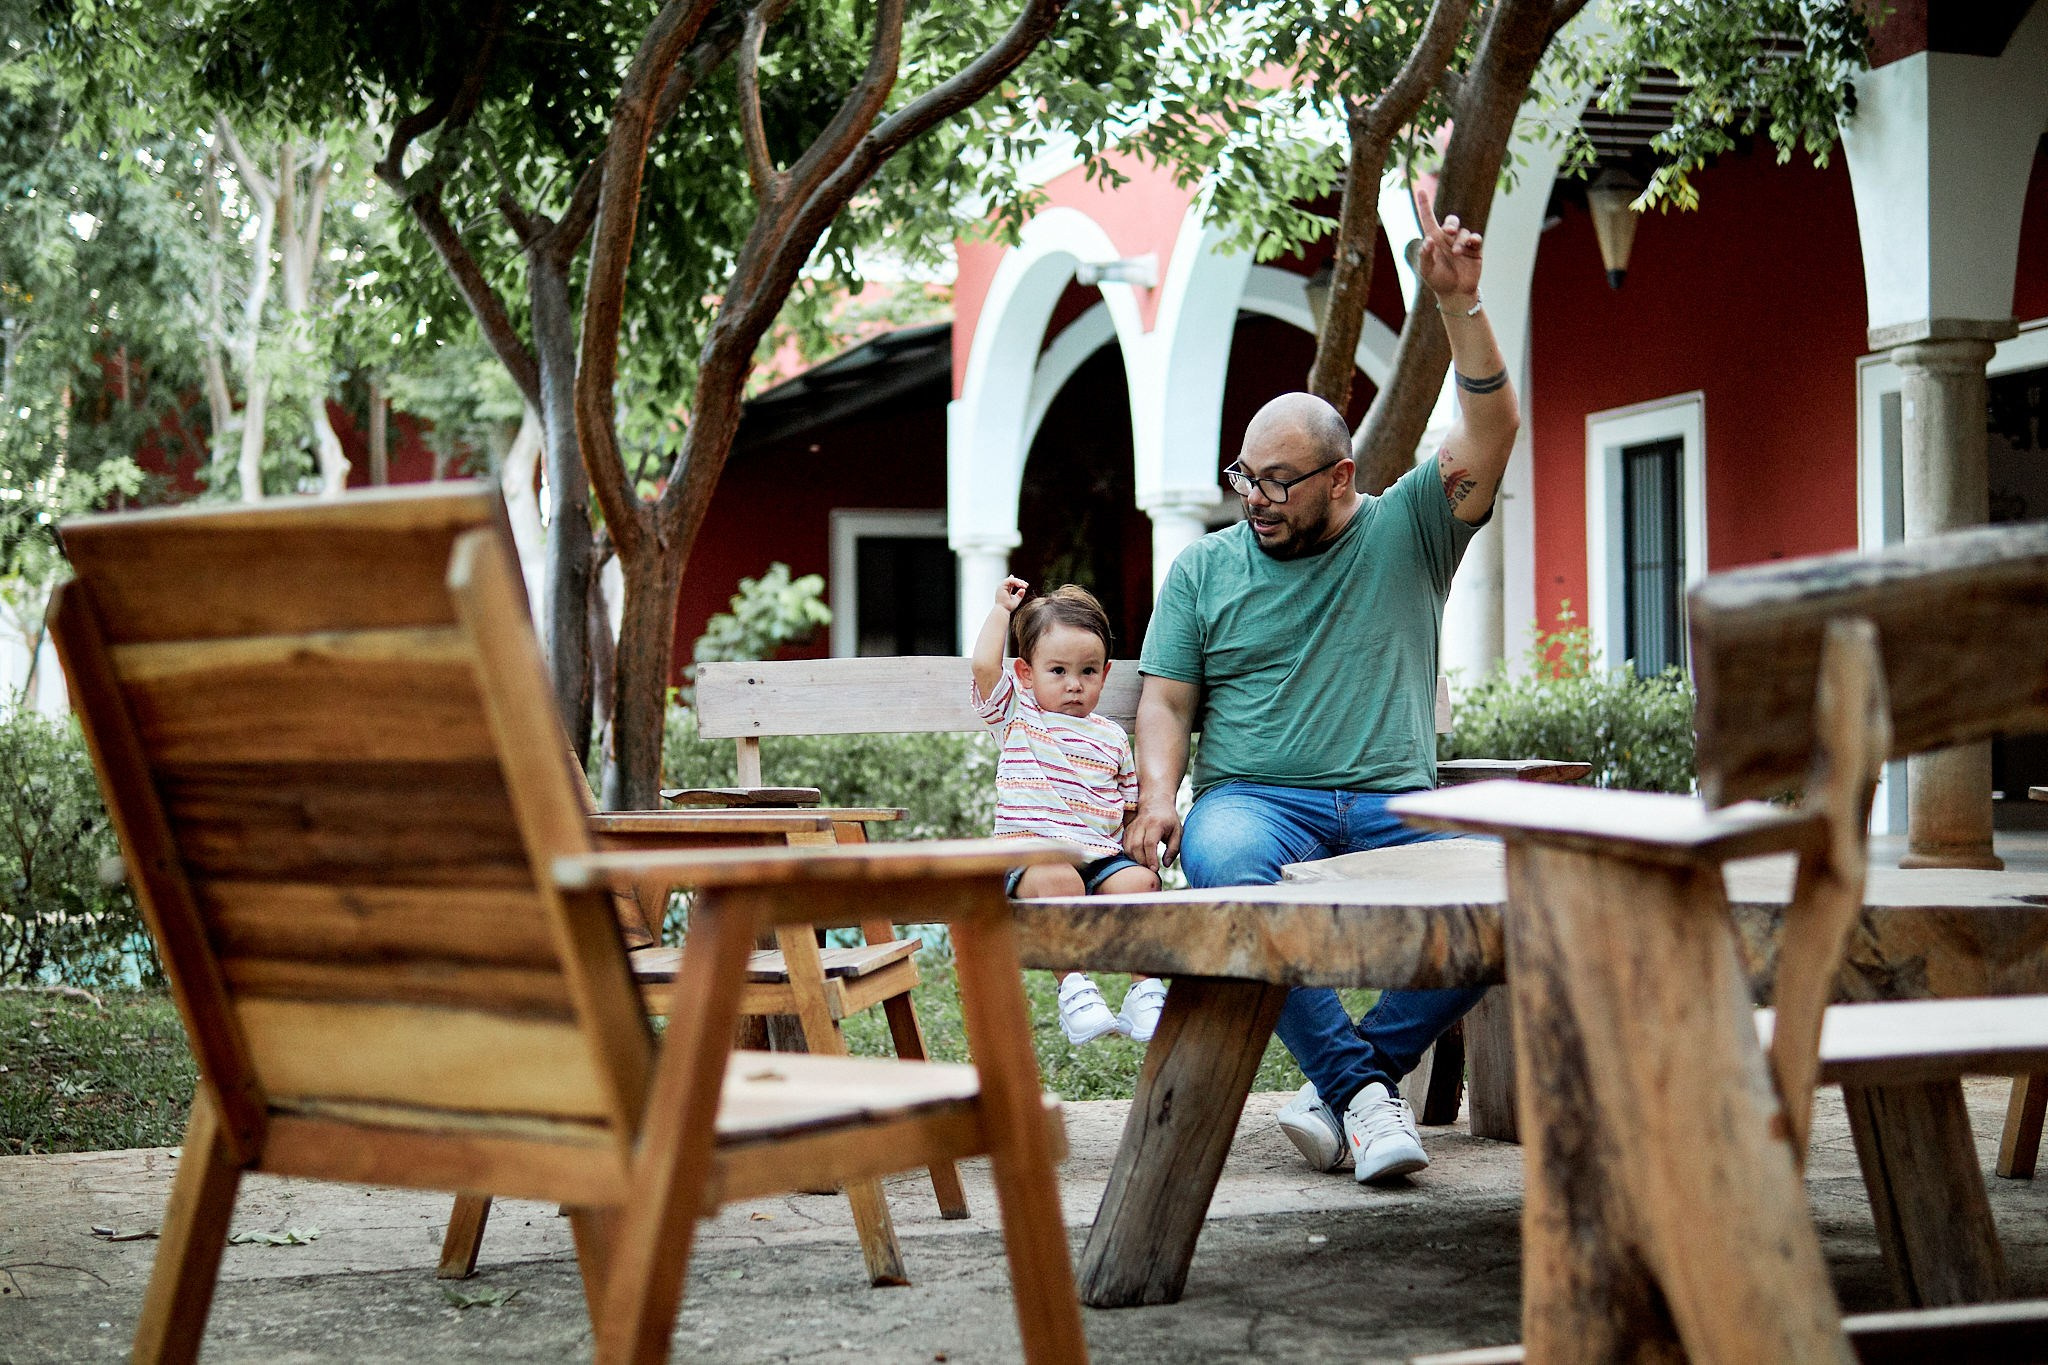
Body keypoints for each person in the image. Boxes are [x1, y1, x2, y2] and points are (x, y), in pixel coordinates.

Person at [1124, 185, 1519, 1183]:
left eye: (1278, 482)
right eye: (1242, 477)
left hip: (1397, 804)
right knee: (1225, 870)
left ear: (1340, 478)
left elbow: (1490, 433)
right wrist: (1158, 797)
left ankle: (1344, 1086)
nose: (1253, 499)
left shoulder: (1408, 530)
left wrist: (1456, 306)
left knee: (1516, 895)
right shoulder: (1203, 571)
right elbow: (1167, 699)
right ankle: (1361, 1096)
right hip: (1255, 803)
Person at [971, 577, 1166, 1044]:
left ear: (1106, 671)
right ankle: (1075, 989)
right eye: (1057, 671)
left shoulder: (1113, 737)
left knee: (1141, 884)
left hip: (1098, 858)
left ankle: (1145, 989)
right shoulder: (1018, 716)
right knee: (1058, 877)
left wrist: (1138, 849)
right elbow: (982, 665)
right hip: (1033, 857)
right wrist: (1001, 609)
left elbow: (1126, 808)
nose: (1074, 685)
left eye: (1088, 672)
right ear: (1025, 672)